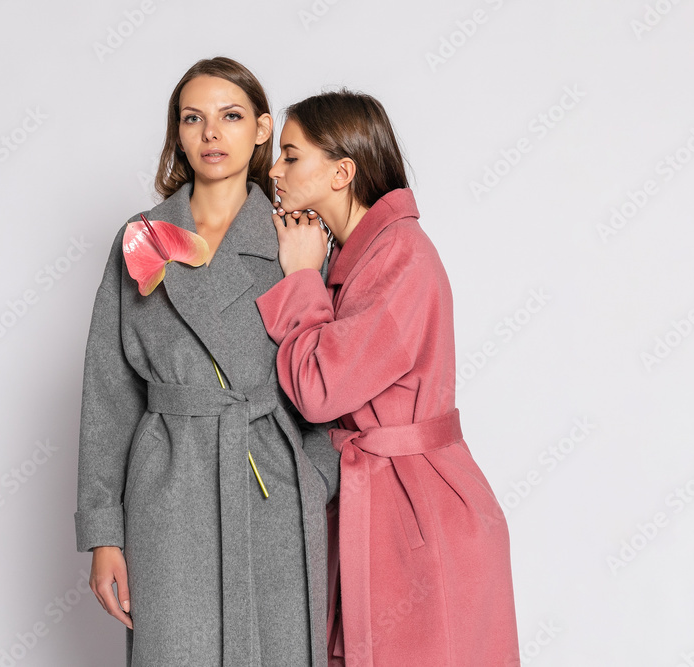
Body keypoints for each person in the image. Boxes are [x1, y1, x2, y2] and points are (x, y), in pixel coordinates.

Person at [75, 57, 340, 666]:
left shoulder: (294, 239)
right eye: (193, 118)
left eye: (231, 116)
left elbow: (326, 372)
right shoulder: (141, 238)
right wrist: (103, 534)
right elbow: (108, 391)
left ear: (263, 129)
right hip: (170, 487)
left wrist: (314, 481)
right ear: (178, 132)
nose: (212, 133)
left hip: (271, 485)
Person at [255, 90, 520, 666]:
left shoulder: (400, 255)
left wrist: (300, 276)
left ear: (341, 172)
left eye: (291, 156)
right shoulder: (363, 254)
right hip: (383, 502)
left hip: (420, 515)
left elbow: (320, 388)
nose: (274, 168)